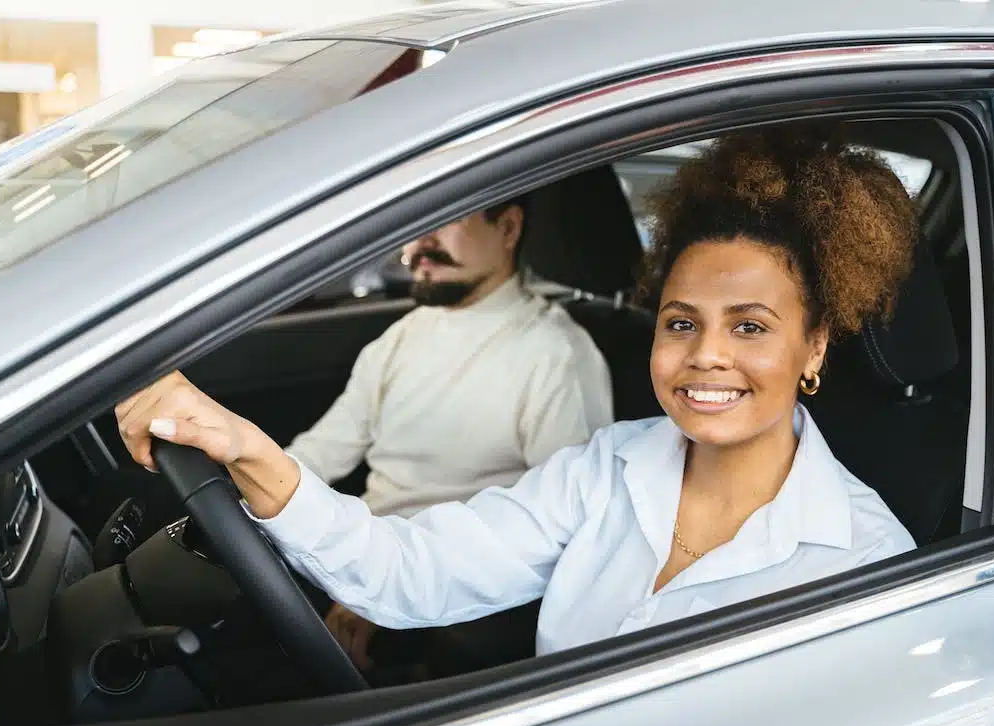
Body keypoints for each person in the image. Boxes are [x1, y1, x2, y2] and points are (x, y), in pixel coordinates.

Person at [116, 126, 919, 661]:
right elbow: (410, 571)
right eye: (680, 323)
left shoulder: (865, 559)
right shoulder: (607, 470)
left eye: (749, 328)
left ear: (814, 345)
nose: (705, 357)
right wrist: (249, 451)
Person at [289, 198, 613, 665]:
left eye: (444, 217)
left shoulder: (555, 353)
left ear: (508, 228)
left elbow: (565, 526)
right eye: (413, 221)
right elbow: (323, 452)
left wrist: (390, 592)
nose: (422, 242)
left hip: (444, 589)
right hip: (357, 555)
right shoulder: (404, 335)